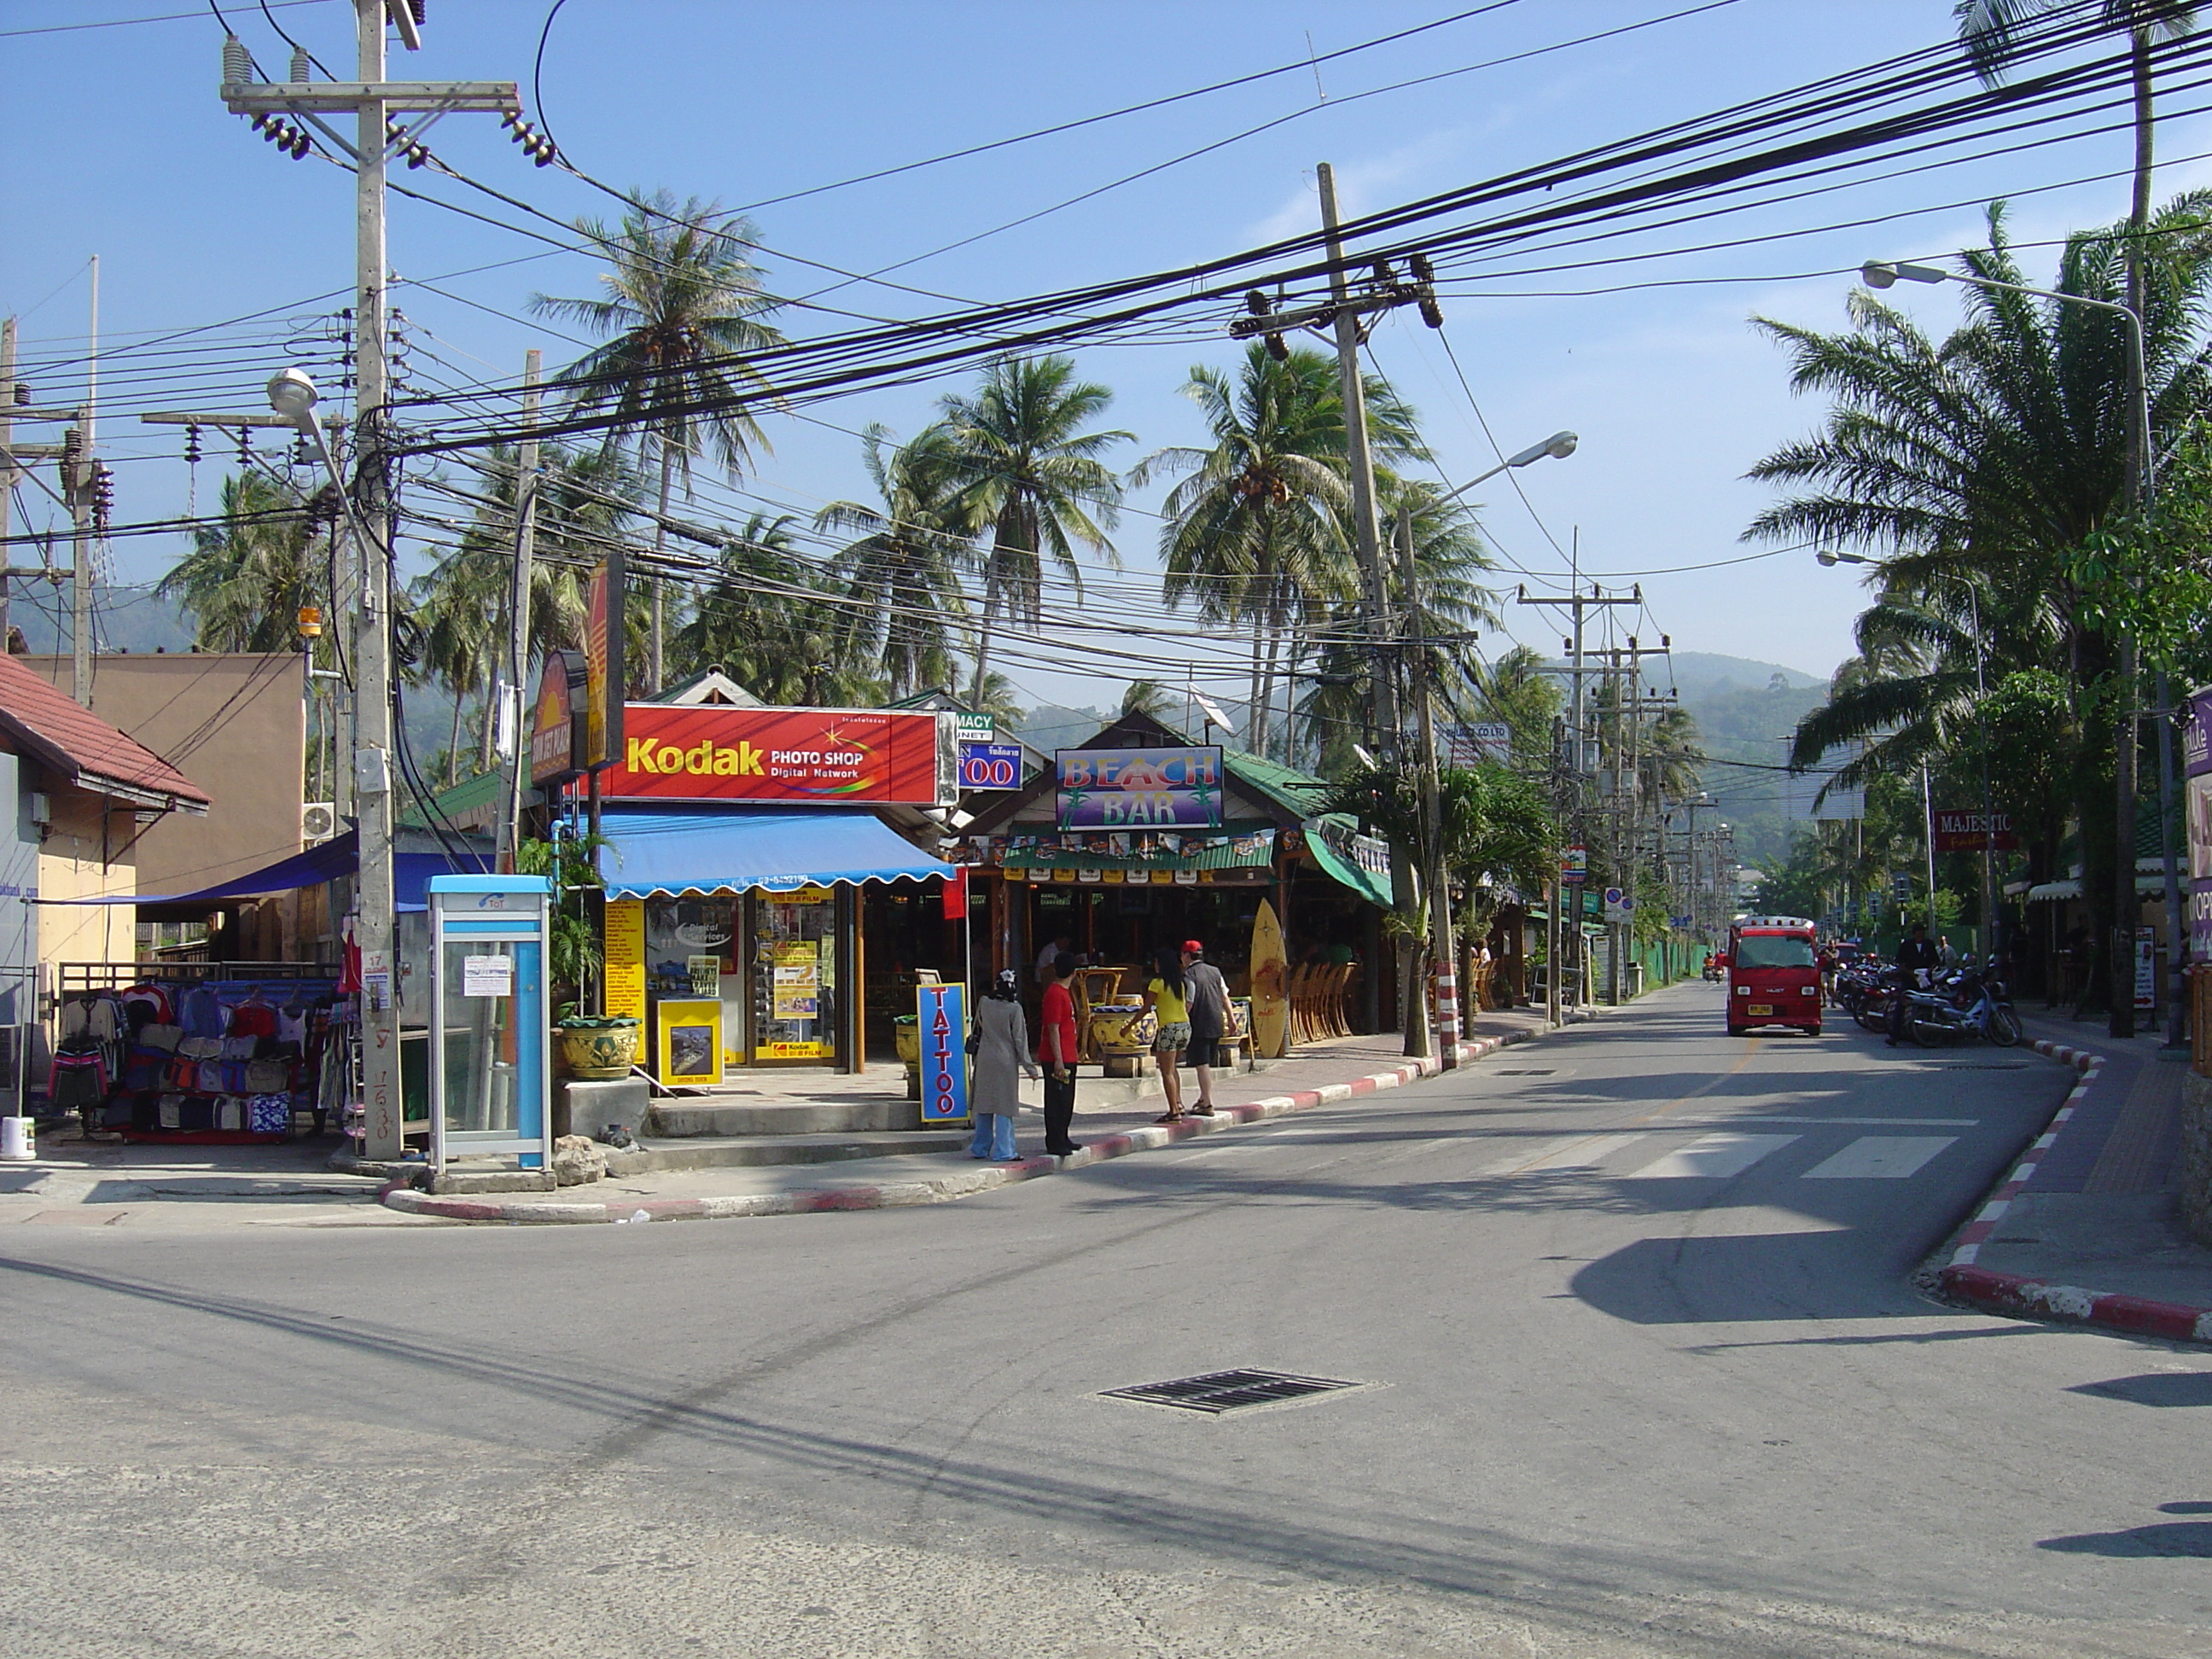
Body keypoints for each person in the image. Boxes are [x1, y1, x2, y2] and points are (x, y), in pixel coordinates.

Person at [968, 969, 1037, 1161]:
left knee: (984, 1105)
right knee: (1004, 1108)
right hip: (1005, 1061)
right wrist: (1030, 1068)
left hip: (984, 1058)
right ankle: (1004, 1151)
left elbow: (977, 1028)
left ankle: (980, 1148)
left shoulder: (984, 1003)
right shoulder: (1014, 1009)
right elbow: (1020, 1041)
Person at [1036, 952, 1083, 1155]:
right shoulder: (1055, 994)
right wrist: (1058, 1060)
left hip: (1068, 1054)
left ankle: (1063, 1136)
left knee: (1066, 1100)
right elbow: (1052, 1028)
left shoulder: (1064, 993)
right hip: (1057, 1057)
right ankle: (1055, 1141)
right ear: (1074, 973)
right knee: (1056, 1100)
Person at [1181, 938, 1232, 1115]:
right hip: (1216, 1021)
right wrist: (1231, 1019)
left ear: (1187, 955)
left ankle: (1207, 1103)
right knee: (1206, 1064)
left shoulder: (1188, 975)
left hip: (1199, 1022)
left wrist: (1182, 1019)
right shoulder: (1215, 971)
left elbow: (1190, 1000)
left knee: (1202, 1065)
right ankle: (1204, 1098)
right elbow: (1225, 997)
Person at [1143, 945, 1192, 1123]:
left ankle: (1173, 1111)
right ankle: (1178, 1103)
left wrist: (1129, 1026)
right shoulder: (1180, 983)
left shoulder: (1157, 983)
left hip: (1169, 1029)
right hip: (1185, 1027)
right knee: (1173, 1068)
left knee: (1166, 1072)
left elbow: (1146, 1008)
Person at [1889, 922, 1941, 1046]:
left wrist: (1928, 970)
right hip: (1909, 979)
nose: (1920, 937)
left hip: (1925, 980)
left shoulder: (1929, 944)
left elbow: (1935, 961)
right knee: (1901, 1005)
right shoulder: (1907, 945)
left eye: (1922, 935)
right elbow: (1900, 963)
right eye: (1918, 935)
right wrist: (1911, 973)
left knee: (1929, 1004)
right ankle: (1895, 1035)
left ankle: (1928, 1031)